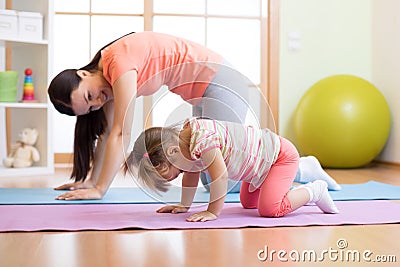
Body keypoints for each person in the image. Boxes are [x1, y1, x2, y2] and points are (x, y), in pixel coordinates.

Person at [48, 31, 340, 201]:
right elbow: (108, 132)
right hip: (206, 91)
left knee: (219, 175)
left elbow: (120, 133)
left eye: (90, 96)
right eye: (91, 107)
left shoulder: (118, 65)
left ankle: (299, 168)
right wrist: (90, 181)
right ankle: (290, 166)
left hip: (222, 83)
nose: (98, 101)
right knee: (207, 173)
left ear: (84, 73)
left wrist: (100, 189)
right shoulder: (108, 77)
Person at [124, 118, 339, 222]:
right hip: (256, 169)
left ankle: (315, 190)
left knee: (270, 209)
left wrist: (212, 211)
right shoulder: (184, 150)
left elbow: (221, 177)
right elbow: (191, 174)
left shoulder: (203, 140)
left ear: (172, 152)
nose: (179, 175)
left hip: (278, 157)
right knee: (248, 204)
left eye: (174, 172)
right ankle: (296, 175)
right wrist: (184, 205)